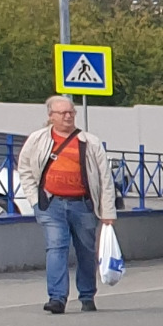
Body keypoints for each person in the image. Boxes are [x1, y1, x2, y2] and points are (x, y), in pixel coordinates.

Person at [31, 96, 113, 314]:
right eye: (63, 113)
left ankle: (87, 296)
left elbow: (105, 178)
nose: (68, 116)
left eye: (71, 112)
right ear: (51, 116)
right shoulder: (38, 140)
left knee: (85, 251)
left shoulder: (89, 141)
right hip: (52, 204)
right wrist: (34, 200)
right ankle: (57, 298)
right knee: (56, 247)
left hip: (83, 204)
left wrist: (107, 211)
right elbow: (25, 169)